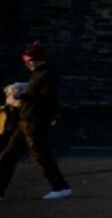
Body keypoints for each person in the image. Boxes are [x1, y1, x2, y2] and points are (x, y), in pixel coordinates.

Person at [1, 41, 73, 201]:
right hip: (26, 119)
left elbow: (43, 98)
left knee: (39, 155)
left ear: (38, 59)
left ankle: (60, 186)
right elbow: (36, 92)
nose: (27, 64)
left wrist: (21, 96)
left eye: (29, 61)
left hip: (35, 121)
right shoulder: (39, 73)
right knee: (9, 155)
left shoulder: (47, 75)